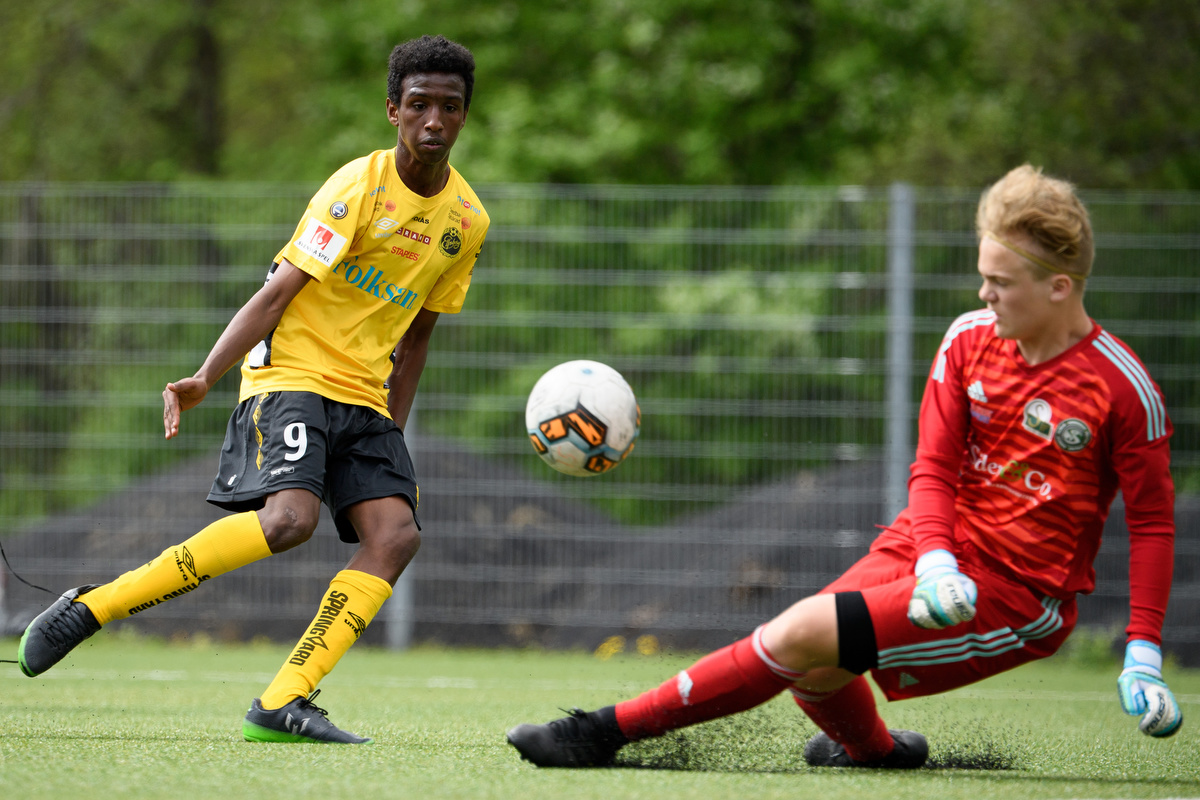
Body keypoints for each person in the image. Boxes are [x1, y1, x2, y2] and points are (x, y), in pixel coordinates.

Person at [506, 164, 1182, 768]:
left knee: (800, 634)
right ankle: (877, 752)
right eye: (983, 276)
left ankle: (598, 734)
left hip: (1015, 596)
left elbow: (1152, 524)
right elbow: (933, 468)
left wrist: (1144, 651)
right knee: (815, 665)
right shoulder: (967, 341)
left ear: (1059, 287)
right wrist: (936, 561)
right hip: (929, 550)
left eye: (1001, 283)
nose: (984, 293)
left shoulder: (1121, 389)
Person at [16, 34, 489, 745]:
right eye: (419, 104)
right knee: (289, 522)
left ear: (463, 116)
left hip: (364, 395)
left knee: (396, 537)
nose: (434, 120)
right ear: (393, 110)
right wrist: (207, 376)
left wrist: (389, 432)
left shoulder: (467, 221)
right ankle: (96, 606)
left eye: (449, 107)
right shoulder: (355, 189)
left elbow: (417, 339)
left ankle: (283, 701)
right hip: (291, 372)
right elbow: (276, 295)